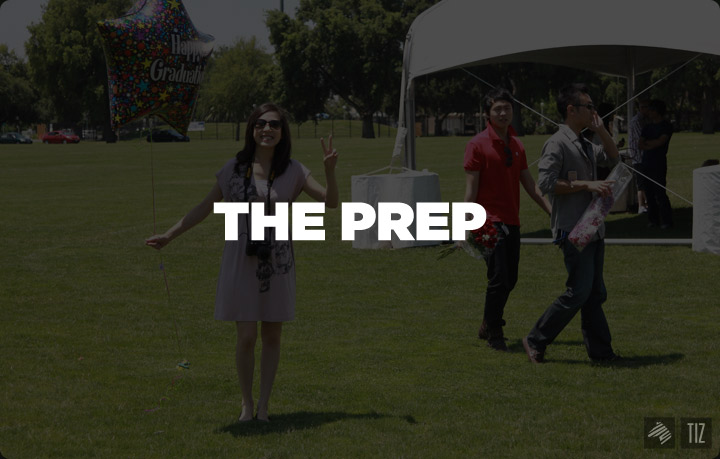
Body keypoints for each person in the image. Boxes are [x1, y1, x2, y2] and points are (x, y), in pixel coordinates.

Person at [146, 103, 339, 422]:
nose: (267, 129)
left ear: (283, 132)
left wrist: (330, 171)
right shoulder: (234, 168)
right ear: (252, 130)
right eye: (260, 124)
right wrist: (169, 235)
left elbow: (330, 202)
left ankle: (264, 406)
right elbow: (205, 207)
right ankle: (246, 404)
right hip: (241, 259)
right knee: (247, 335)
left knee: (272, 335)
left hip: (277, 260)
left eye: (274, 124)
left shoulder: (294, 170)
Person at [522, 84, 620, 364]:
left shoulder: (585, 142)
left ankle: (601, 353)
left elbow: (613, 157)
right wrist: (587, 184)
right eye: (588, 106)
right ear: (571, 110)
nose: (593, 111)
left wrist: (602, 130)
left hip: (593, 227)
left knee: (595, 293)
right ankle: (535, 339)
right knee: (578, 292)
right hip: (572, 229)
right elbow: (546, 183)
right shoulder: (557, 143)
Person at [463, 87, 551, 351]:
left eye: (507, 108)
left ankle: (487, 322)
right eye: (497, 109)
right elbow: (470, 190)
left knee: (510, 279)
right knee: (499, 277)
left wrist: (551, 210)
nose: (503, 113)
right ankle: (495, 331)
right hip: (488, 222)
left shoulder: (517, 144)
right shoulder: (477, 145)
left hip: (512, 220)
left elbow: (530, 184)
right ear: (487, 114)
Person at [639, 99, 674, 229]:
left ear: (658, 111)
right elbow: (640, 144)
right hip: (646, 162)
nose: (648, 112)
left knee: (660, 192)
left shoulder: (666, 126)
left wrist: (649, 143)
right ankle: (653, 220)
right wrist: (651, 144)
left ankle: (666, 221)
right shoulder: (647, 127)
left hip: (658, 163)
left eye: (651, 109)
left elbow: (661, 142)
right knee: (649, 193)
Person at [628, 98, 651, 213]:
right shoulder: (636, 121)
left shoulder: (646, 120)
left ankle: (647, 204)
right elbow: (640, 139)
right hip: (638, 156)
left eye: (647, 107)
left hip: (644, 156)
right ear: (640, 108)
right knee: (641, 183)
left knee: (646, 182)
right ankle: (641, 206)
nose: (646, 109)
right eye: (643, 107)